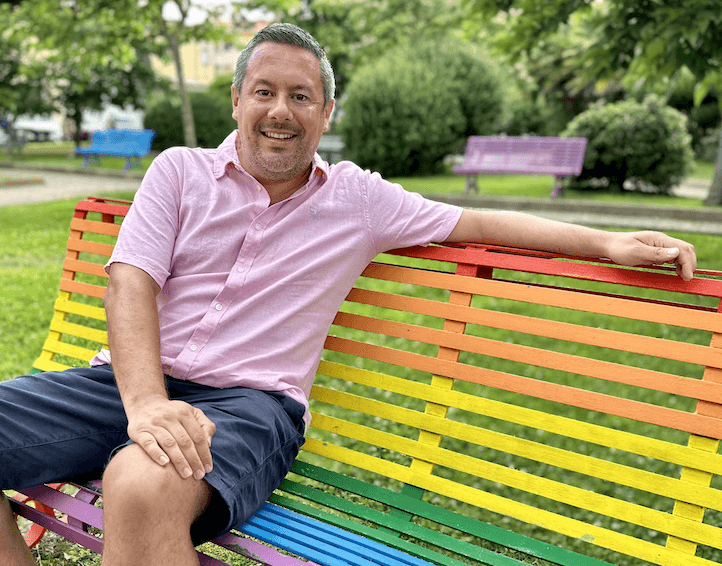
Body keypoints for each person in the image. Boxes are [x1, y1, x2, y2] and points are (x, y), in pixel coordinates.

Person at [0, 23, 696, 566]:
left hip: (249, 404)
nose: (280, 111)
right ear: (237, 99)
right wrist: (147, 401)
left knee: (139, 484)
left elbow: (478, 221)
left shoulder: (359, 200)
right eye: (264, 92)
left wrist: (607, 242)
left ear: (326, 112)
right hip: (124, 385)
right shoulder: (179, 172)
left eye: (300, 96)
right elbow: (132, 280)